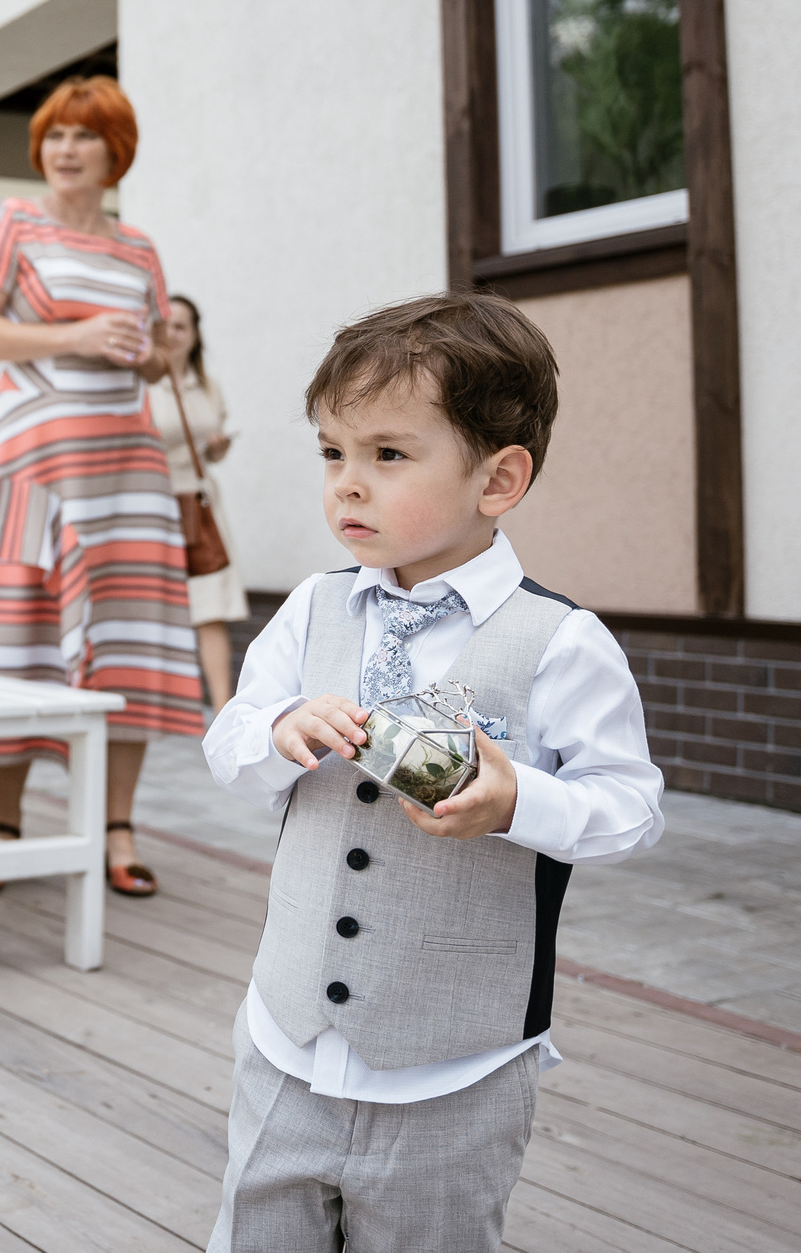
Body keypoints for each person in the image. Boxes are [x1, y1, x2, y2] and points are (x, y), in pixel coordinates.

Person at [200, 291, 663, 1252]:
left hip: (454, 1070)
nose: (348, 485)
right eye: (333, 453)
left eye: (388, 455)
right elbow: (230, 739)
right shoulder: (314, 609)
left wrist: (515, 801)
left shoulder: (560, 642)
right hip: (285, 1042)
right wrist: (279, 727)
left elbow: (630, 806)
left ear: (498, 480)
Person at [0, 75, 201, 899]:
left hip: (126, 468)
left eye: (83, 136)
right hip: (32, 468)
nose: (64, 148)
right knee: (16, 641)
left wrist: (142, 348)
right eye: (55, 134)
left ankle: (114, 827)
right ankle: (5, 817)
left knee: (129, 642)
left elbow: (165, 355)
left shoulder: (139, 248)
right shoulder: (8, 223)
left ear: (113, 151)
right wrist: (80, 332)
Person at [146, 294, 247, 705]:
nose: (171, 333)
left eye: (181, 326)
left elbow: (209, 452)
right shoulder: (143, 385)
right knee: (151, 609)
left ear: (194, 336)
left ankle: (223, 709)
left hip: (200, 505)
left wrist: (218, 449)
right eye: (165, 324)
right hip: (154, 505)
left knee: (209, 608)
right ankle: (153, 704)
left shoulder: (209, 387)